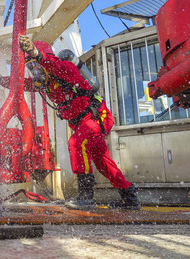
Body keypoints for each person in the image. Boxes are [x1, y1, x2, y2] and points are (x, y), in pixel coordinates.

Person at [13, 34, 141, 210]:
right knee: (103, 164)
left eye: (35, 65)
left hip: (97, 117)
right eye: (30, 67)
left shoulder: (64, 68)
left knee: (76, 143)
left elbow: (55, 65)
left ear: (45, 60)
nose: (34, 71)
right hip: (82, 123)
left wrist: (36, 54)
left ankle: (86, 197)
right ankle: (130, 198)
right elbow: (20, 85)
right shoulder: (47, 84)